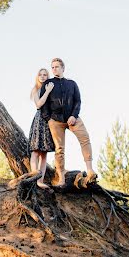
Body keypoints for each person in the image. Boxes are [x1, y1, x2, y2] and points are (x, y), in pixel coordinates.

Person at [40, 58, 97, 187]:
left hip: (73, 118)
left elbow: (78, 101)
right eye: (52, 67)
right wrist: (49, 119)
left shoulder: (72, 84)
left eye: (57, 67)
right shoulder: (48, 83)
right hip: (55, 121)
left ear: (63, 68)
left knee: (85, 138)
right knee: (59, 149)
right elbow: (44, 104)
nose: (54, 69)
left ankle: (89, 169)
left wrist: (74, 115)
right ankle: (61, 178)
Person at [28, 68, 55, 189]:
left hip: (48, 120)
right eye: (40, 75)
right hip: (39, 120)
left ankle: (41, 181)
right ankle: (34, 179)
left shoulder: (50, 88)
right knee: (35, 151)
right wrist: (47, 91)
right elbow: (39, 104)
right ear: (37, 76)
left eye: (45, 75)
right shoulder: (36, 89)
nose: (43, 77)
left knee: (44, 153)